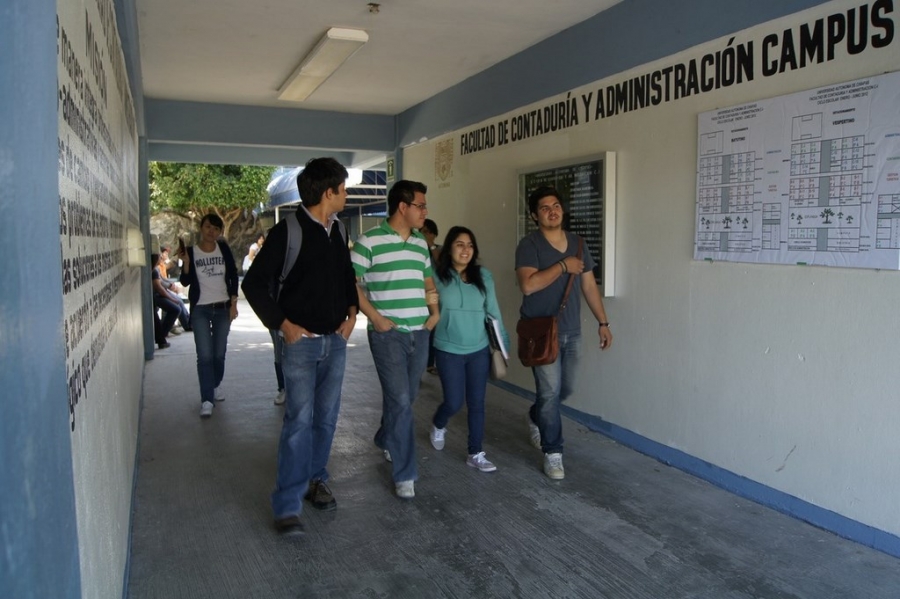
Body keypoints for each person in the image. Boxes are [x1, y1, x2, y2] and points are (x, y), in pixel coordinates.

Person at [242, 158, 359, 537]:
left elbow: (346, 276)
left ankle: (316, 480)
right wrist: (284, 325)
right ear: (329, 192)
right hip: (301, 346)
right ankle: (288, 505)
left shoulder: (338, 230)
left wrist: (352, 312)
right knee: (299, 423)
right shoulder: (286, 232)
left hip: (335, 343)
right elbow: (254, 284)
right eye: (343, 188)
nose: (346, 194)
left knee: (326, 420)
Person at [515, 186, 613, 480]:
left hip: (571, 331)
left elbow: (588, 286)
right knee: (549, 391)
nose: (552, 211)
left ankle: (536, 417)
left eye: (556, 205)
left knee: (564, 390)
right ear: (535, 215)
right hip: (541, 331)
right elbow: (528, 285)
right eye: (545, 208)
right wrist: (561, 266)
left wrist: (603, 323)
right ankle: (553, 451)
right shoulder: (529, 245)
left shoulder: (578, 244)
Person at [351, 180, 439, 500]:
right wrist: (375, 318)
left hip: (420, 332)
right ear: (403, 207)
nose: (425, 212)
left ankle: (385, 436)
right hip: (387, 335)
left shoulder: (419, 243)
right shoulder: (369, 241)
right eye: (421, 205)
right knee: (401, 400)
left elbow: (427, 280)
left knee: (406, 395)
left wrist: (434, 311)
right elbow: (352, 284)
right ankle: (405, 473)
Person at [428, 226, 509, 473]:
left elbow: (493, 313)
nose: (466, 250)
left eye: (470, 245)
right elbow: (429, 308)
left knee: (476, 403)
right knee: (453, 401)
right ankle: (438, 423)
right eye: (460, 244)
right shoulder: (437, 276)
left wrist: (504, 347)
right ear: (449, 247)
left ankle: (475, 453)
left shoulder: (484, 276)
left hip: (479, 350)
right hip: (448, 349)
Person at [177, 214, 239, 419]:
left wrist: (233, 304)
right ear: (201, 228)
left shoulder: (224, 250)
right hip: (201, 310)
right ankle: (206, 399)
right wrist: (186, 263)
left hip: (222, 308)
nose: (211, 231)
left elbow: (232, 276)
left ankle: (214, 384)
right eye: (207, 227)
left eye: (215, 228)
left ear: (220, 232)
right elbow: (185, 282)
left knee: (218, 354)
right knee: (204, 355)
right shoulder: (192, 252)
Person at [151, 253, 191, 337]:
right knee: (176, 308)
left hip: (162, 292)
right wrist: (171, 298)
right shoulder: (154, 271)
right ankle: (162, 333)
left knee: (179, 300)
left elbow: (162, 280)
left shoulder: (157, 269)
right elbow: (159, 288)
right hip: (157, 295)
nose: (161, 258)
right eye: (159, 257)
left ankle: (187, 322)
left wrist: (171, 284)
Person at [420, 219, 441, 374]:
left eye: (428, 232)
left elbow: (441, 263)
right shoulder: (415, 249)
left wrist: (431, 245)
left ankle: (429, 363)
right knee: (421, 329)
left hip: (434, 295)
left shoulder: (439, 250)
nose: (424, 235)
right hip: (418, 296)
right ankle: (418, 366)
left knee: (433, 328)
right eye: (422, 231)